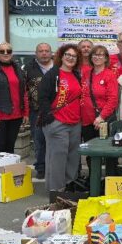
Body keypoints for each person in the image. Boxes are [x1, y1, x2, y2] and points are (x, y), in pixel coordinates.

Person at [37, 44, 82, 192]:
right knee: (57, 158)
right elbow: (42, 98)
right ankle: (56, 191)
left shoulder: (76, 75)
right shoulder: (52, 74)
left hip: (75, 123)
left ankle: (69, 186)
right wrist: (50, 118)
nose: (70, 58)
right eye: (67, 55)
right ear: (61, 56)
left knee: (73, 157)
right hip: (57, 122)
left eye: (74, 56)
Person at [24, 42, 54, 179]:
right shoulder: (29, 68)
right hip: (36, 111)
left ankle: (54, 167)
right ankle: (41, 168)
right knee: (39, 140)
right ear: (36, 53)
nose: (44, 53)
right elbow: (23, 91)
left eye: (47, 51)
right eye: (41, 51)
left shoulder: (58, 67)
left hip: (56, 110)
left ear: (51, 53)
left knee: (55, 140)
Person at [80, 45, 118, 142]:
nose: (97, 57)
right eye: (95, 54)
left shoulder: (109, 75)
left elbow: (113, 99)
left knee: (104, 150)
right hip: (86, 120)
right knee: (90, 151)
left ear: (106, 58)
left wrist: (101, 117)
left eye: (101, 55)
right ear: (91, 57)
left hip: (102, 120)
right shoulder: (86, 74)